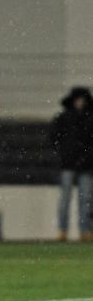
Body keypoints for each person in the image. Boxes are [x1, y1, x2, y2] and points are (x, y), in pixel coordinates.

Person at [49, 87, 93, 241]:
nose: (80, 102)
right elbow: (53, 137)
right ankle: (63, 230)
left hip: (85, 165)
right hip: (69, 163)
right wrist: (64, 152)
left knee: (86, 200)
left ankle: (85, 231)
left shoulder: (89, 118)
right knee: (65, 199)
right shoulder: (64, 118)